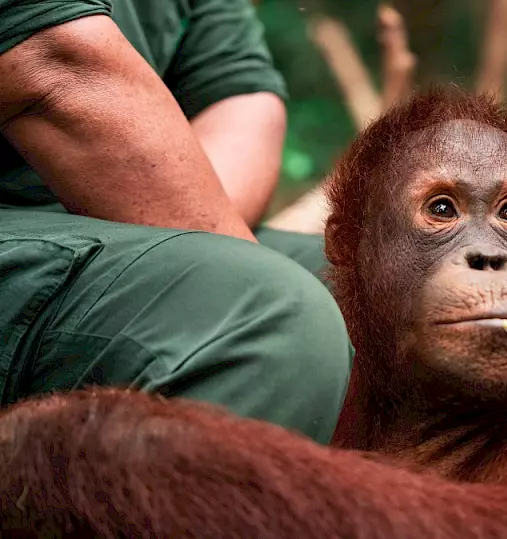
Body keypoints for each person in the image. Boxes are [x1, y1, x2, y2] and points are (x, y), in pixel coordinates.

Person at [0, 0, 352, 445]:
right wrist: (229, 278)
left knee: (374, 285)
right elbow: (52, 63)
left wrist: (205, 256)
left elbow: (239, 95)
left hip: (126, 224)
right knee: (270, 317)